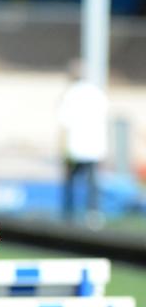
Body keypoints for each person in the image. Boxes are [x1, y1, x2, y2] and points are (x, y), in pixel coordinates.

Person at [58, 60, 108, 226]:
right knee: (92, 182)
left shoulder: (69, 94)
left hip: (75, 147)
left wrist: (62, 148)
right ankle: (93, 214)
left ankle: (68, 215)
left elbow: (63, 123)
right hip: (93, 147)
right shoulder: (97, 93)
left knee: (71, 182)